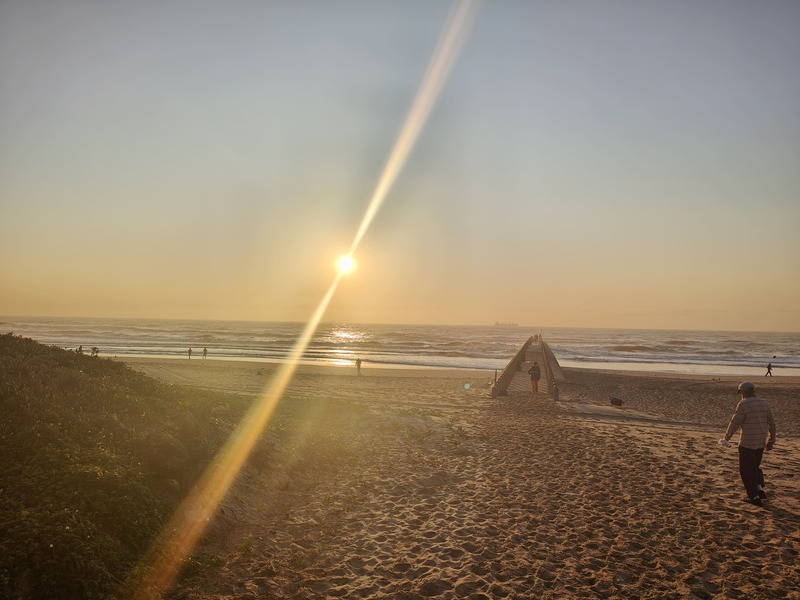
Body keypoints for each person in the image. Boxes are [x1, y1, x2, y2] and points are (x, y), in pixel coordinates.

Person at [720, 381, 776, 507]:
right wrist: (771, 440)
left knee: (746, 470)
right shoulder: (764, 403)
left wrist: (726, 437)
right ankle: (759, 489)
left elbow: (735, 422)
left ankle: (754, 497)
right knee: (755, 467)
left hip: (747, 443)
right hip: (761, 441)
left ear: (744, 392)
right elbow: (772, 423)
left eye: (741, 393)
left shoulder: (743, 404)